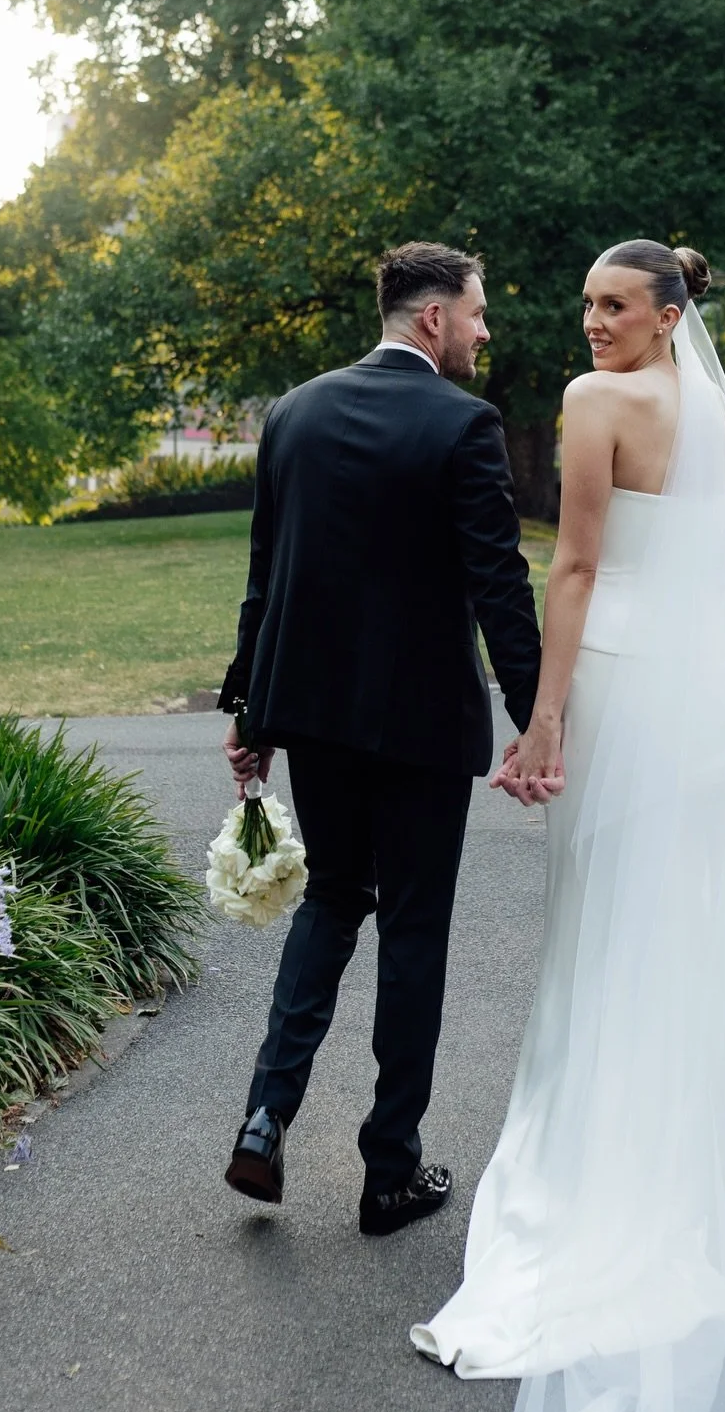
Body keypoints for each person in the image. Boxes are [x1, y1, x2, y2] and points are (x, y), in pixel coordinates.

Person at [411, 240, 725, 1412]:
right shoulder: (706, 407)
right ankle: (671, 1199)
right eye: (586, 306)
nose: (590, 324)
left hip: (617, 690)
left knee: (600, 938)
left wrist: (542, 720)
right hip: (692, 704)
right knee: (677, 932)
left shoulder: (595, 405)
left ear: (665, 316)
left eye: (614, 307)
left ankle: (594, 1197)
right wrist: (707, 670)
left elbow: (578, 568)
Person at [218, 241, 545, 1238]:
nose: (487, 331)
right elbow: (500, 586)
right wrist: (539, 722)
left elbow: (267, 575)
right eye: (478, 314)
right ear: (434, 319)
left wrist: (251, 713)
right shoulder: (463, 424)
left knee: (331, 900)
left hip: (313, 717)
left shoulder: (295, 412)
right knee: (411, 932)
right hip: (419, 727)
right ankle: (388, 1172)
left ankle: (265, 1121)